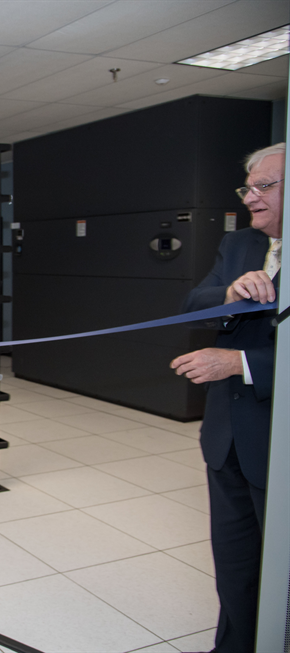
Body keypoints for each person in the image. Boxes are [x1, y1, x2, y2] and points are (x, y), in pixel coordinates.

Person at [170, 142, 283, 653]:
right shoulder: (238, 247)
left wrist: (240, 363)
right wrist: (231, 293)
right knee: (235, 566)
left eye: (266, 186)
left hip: (277, 443)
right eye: (248, 187)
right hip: (228, 438)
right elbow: (194, 304)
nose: (252, 198)